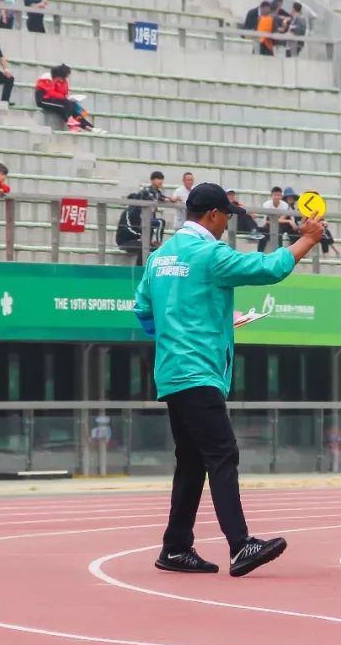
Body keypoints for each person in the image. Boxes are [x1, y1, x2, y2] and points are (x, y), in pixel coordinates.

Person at [134, 182, 324, 577]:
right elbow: (268, 269)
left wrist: (179, 332)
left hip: (172, 372)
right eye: (225, 218)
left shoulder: (159, 258)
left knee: (191, 462)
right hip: (199, 371)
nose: (226, 227)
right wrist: (306, 240)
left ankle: (175, 547)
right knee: (222, 454)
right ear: (214, 215)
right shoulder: (210, 254)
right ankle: (240, 545)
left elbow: (144, 312)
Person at [34, 64, 95, 131]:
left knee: (71, 106)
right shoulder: (47, 78)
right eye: (63, 77)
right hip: (43, 100)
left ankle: (89, 127)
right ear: (59, 75)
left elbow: (64, 92)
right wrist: (64, 98)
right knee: (65, 106)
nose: (64, 79)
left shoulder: (63, 80)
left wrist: (67, 97)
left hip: (53, 99)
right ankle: (73, 124)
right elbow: (50, 93)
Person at [259, 186, 297, 253]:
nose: (276, 197)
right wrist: (289, 221)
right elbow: (266, 221)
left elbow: (281, 219)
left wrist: (290, 222)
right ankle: (259, 254)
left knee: (281, 231)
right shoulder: (267, 205)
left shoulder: (284, 205)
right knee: (263, 236)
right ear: (272, 195)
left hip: (280, 225)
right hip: (268, 225)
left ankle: (282, 252)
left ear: (281, 196)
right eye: (275, 195)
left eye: (278, 195)